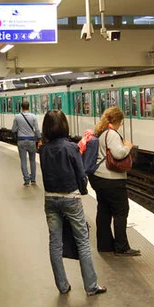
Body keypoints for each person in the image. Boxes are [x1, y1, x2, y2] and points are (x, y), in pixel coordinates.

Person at [39, 109, 107, 296]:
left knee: (55, 242)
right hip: (70, 198)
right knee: (82, 241)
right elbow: (80, 174)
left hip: (50, 199)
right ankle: (91, 286)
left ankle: (62, 286)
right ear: (64, 126)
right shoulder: (71, 148)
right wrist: (83, 190)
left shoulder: (43, 149)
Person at [89, 107, 141, 256]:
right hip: (111, 179)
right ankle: (121, 246)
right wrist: (127, 147)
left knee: (104, 211)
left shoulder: (101, 132)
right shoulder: (111, 133)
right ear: (118, 121)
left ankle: (104, 245)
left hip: (99, 177)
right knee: (121, 211)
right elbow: (118, 154)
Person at [11, 101, 40, 186]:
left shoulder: (17, 117)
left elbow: (13, 130)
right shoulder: (34, 117)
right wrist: (39, 139)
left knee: (23, 161)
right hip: (31, 141)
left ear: (21, 107)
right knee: (32, 161)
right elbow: (37, 130)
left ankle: (27, 180)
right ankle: (33, 179)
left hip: (21, 141)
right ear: (29, 107)